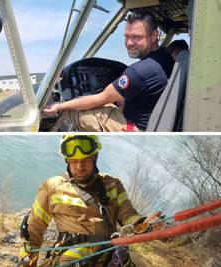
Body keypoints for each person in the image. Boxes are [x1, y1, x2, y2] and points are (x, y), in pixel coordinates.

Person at [18, 135, 151, 267]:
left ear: (95, 158)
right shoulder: (52, 187)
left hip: (109, 256)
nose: (80, 166)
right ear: (67, 161)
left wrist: (142, 224)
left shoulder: (113, 185)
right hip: (71, 259)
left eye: (86, 160)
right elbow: (34, 228)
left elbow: (127, 214)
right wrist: (28, 256)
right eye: (74, 161)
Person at [43, 10, 174, 132]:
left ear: (154, 36)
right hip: (151, 121)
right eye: (126, 36)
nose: (129, 43)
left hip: (136, 129)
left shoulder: (138, 72)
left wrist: (59, 106)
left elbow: (99, 99)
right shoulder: (165, 57)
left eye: (137, 37)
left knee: (71, 111)